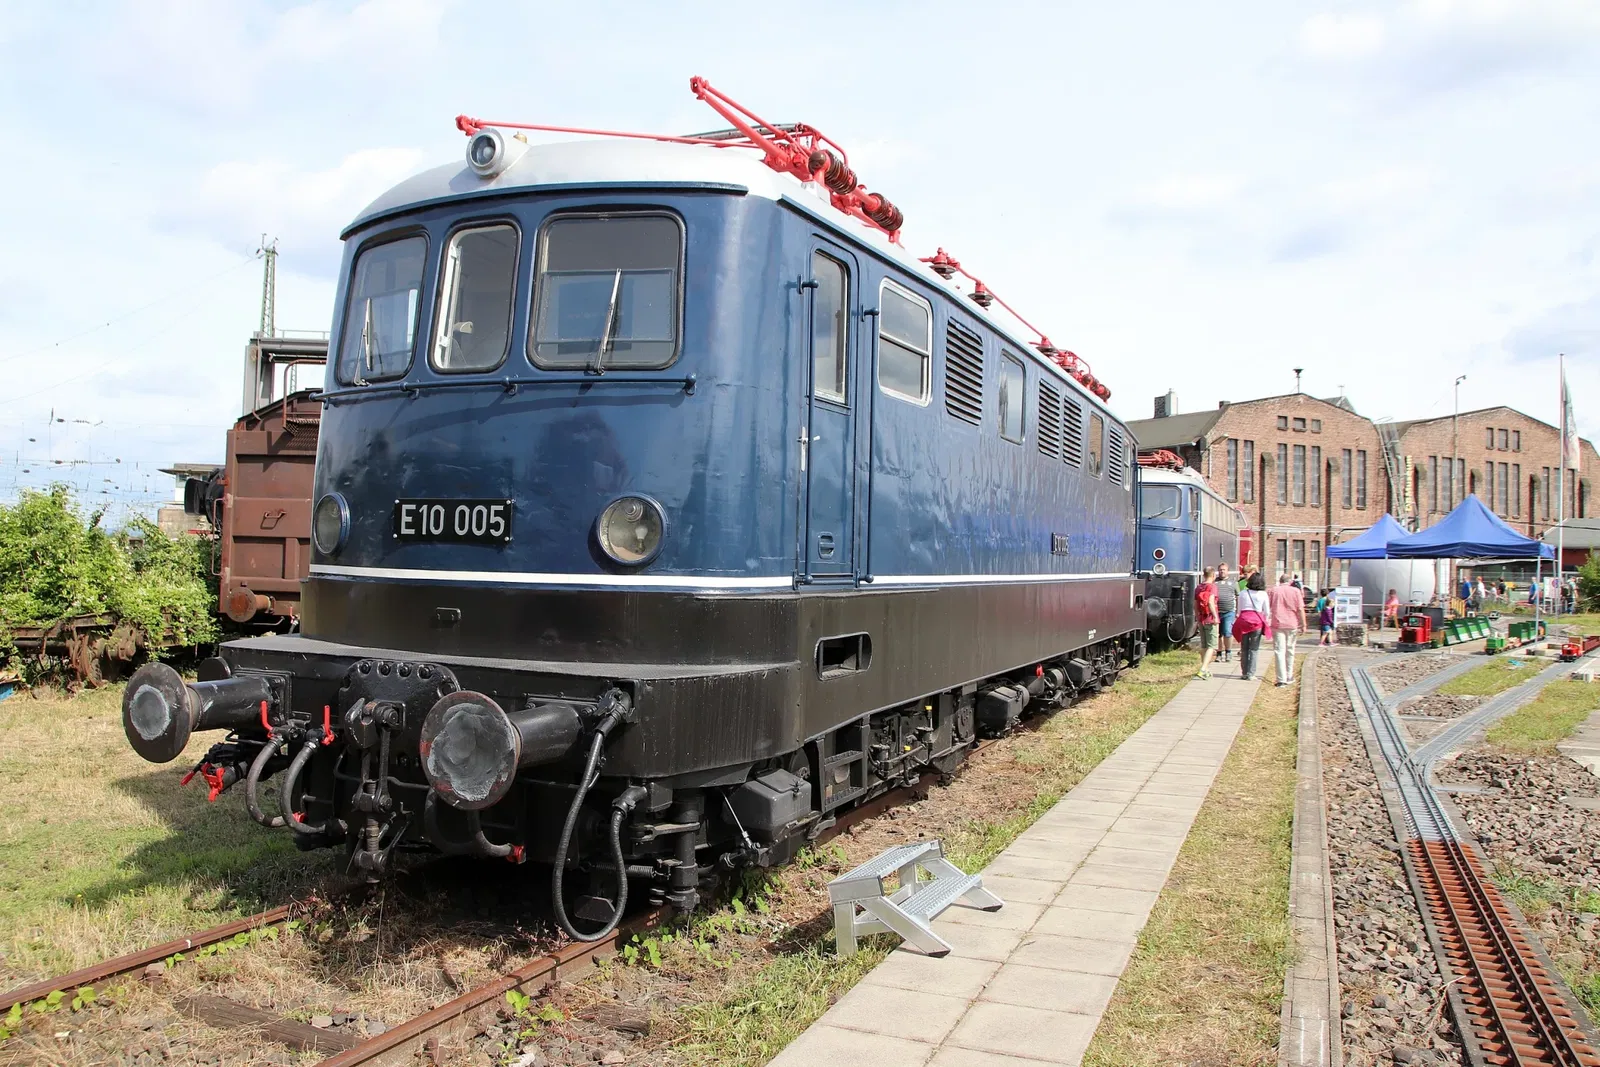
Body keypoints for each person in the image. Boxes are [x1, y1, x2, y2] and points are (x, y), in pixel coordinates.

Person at [1235, 572, 1272, 681]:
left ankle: (1244, 673)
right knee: (1254, 649)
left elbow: (1239, 610)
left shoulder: (1242, 593)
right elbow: (1267, 612)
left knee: (1244, 648)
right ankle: (1251, 674)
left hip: (1244, 621)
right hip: (1257, 623)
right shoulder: (1263, 594)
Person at [1194, 566, 1220, 680]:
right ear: (1213, 575)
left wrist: (1197, 616)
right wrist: (1215, 616)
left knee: (1204, 645)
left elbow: (1195, 604)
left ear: (1204, 575)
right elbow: (1210, 602)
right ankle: (1203, 669)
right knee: (1212, 646)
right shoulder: (1212, 587)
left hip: (1201, 618)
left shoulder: (1199, 587)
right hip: (1210, 618)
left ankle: (1206, 670)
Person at [1216, 563, 1237, 663]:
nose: (1222, 571)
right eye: (1220, 570)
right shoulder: (1214, 582)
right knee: (1218, 634)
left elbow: (1238, 596)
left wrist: (1237, 611)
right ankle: (1219, 653)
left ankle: (1228, 651)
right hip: (1216, 612)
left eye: (1224, 570)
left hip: (1229, 611)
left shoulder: (1233, 583)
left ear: (1227, 571)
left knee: (1227, 632)